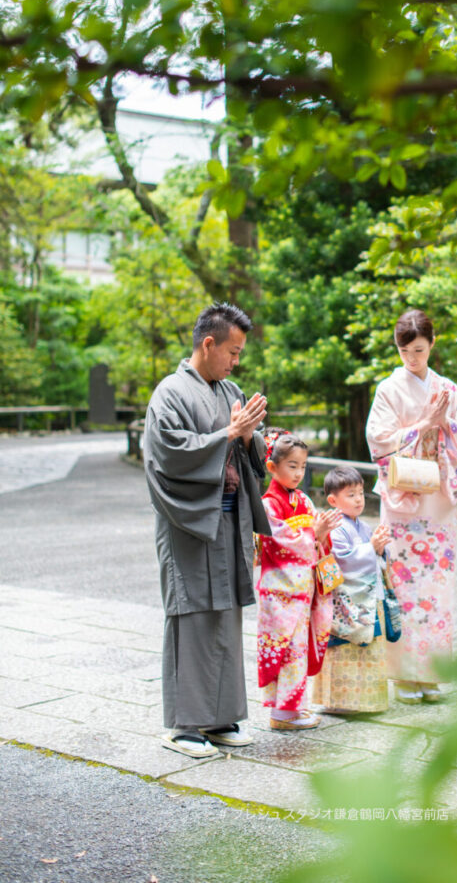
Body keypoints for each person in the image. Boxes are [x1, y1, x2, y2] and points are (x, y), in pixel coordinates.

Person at [144, 302, 270, 758]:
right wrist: (230, 434)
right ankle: (183, 726)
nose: (236, 361)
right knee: (193, 616)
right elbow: (169, 454)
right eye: (232, 352)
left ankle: (220, 718)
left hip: (228, 520)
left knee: (225, 615)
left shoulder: (228, 388)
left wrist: (253, 436)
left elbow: (246, 447)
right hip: (190, 521)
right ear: (208, 343)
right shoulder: (170, 393)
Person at [365, 309, 457, 704]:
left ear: (432, 345)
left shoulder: (446, 387)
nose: (411, 359)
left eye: (418, 350)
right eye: (404, 351)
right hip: (403, 499)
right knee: (402, 583)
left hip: (438, 499)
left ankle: (431, 673)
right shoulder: (387, 389)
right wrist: (424, 423)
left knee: (437, 586)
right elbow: (378, 441)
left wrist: (444, 423)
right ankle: (403, 677)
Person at [256, 430, 341, 730]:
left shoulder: (303, 499)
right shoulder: (268, 505)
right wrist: (314, 535)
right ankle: (283, 713)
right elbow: (277, 544)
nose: (299, 473)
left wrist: (322, 535)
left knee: (300, 649)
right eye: (292, 466)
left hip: (302, 590)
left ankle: (292, 709)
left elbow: (317, 542)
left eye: (303, 466)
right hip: (281, 591)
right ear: (272, 467)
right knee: (286, 650)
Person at [312, 465, 396, 715]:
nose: (358, 499)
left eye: (360, 493)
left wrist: (380, 549)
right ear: (332, 500)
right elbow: (343, 561)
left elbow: (372, 557)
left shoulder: (363, 526)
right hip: (347, 603)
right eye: (351, 494)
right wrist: (371, 548)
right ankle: (341, 701)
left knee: (369, 650)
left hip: (367, 599)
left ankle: (367, 702)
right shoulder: (337, 527)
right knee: (345, 650)